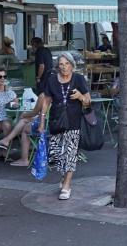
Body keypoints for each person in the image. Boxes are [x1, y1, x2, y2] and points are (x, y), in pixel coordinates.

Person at [36, 53, 93, 201]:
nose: (64, 67)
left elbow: (88, 101)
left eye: (67, 64)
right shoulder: (52, 80)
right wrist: (42, 121)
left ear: (72, 65)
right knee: (58, 155)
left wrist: (80, 97)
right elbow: (46, 101)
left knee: (70, 154)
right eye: (61, 64)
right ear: (57, 66)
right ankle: (64, 177)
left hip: (74, 122)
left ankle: (67, 185)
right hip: (56, 121)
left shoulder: (79, 79)